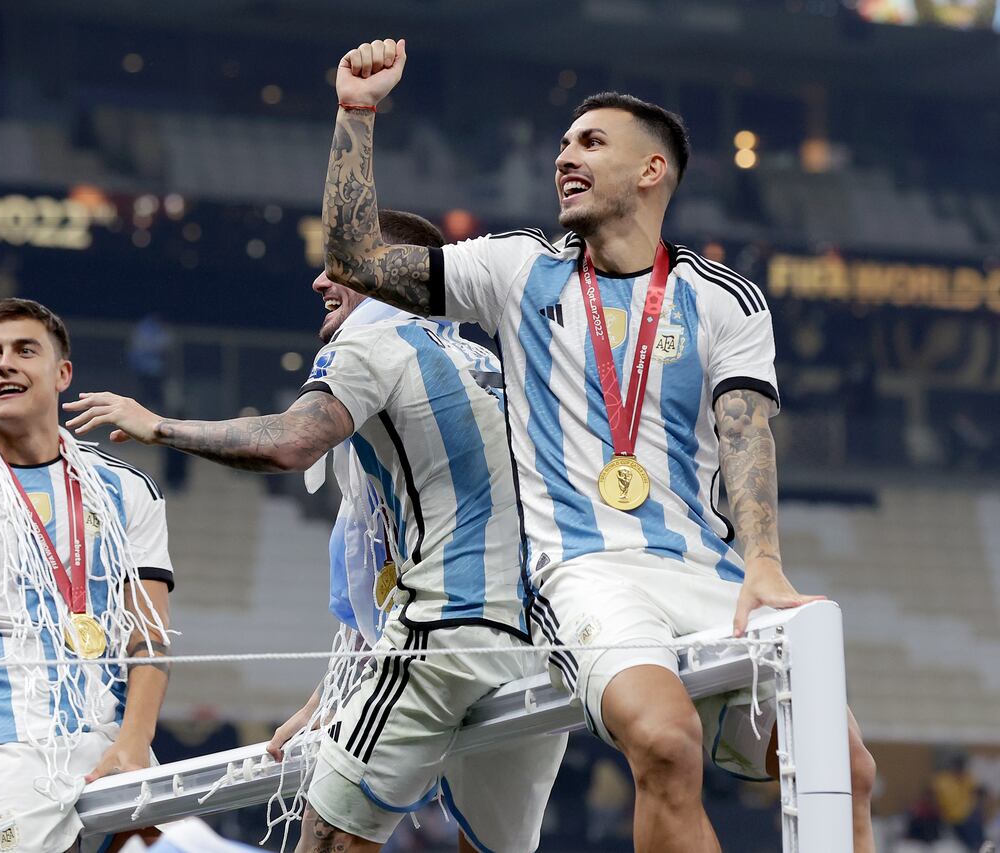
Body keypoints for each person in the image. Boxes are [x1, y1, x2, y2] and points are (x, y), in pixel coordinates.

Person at [317, 38, 878, 853]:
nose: (564, 158)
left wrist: (761, 562)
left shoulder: (726, 299)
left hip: (709, 573)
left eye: (590, 143)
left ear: (652, 171)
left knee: (849, 766)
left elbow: (746, 429)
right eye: (562, 145)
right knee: (664, 740)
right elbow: (358, 259)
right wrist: (355, 113)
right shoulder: (515, 269)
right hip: (583, 574)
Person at [64, 211, 565, 853]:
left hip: (446, 632)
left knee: (330, 834)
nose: (320, 280)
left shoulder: (375, 345)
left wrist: (157, 426)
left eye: (343, 264)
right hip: (535, 651)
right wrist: (334, 692)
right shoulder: (493, 365)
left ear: (392, 274)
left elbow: (290, 443)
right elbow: (393, 553)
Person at [0, 298, 174, 853]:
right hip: (1, 756)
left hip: (114, 740)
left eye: (25, 350)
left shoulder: (128, 487)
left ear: (62, 373)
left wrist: (135, 743)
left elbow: (150, 631)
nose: (4, 364)